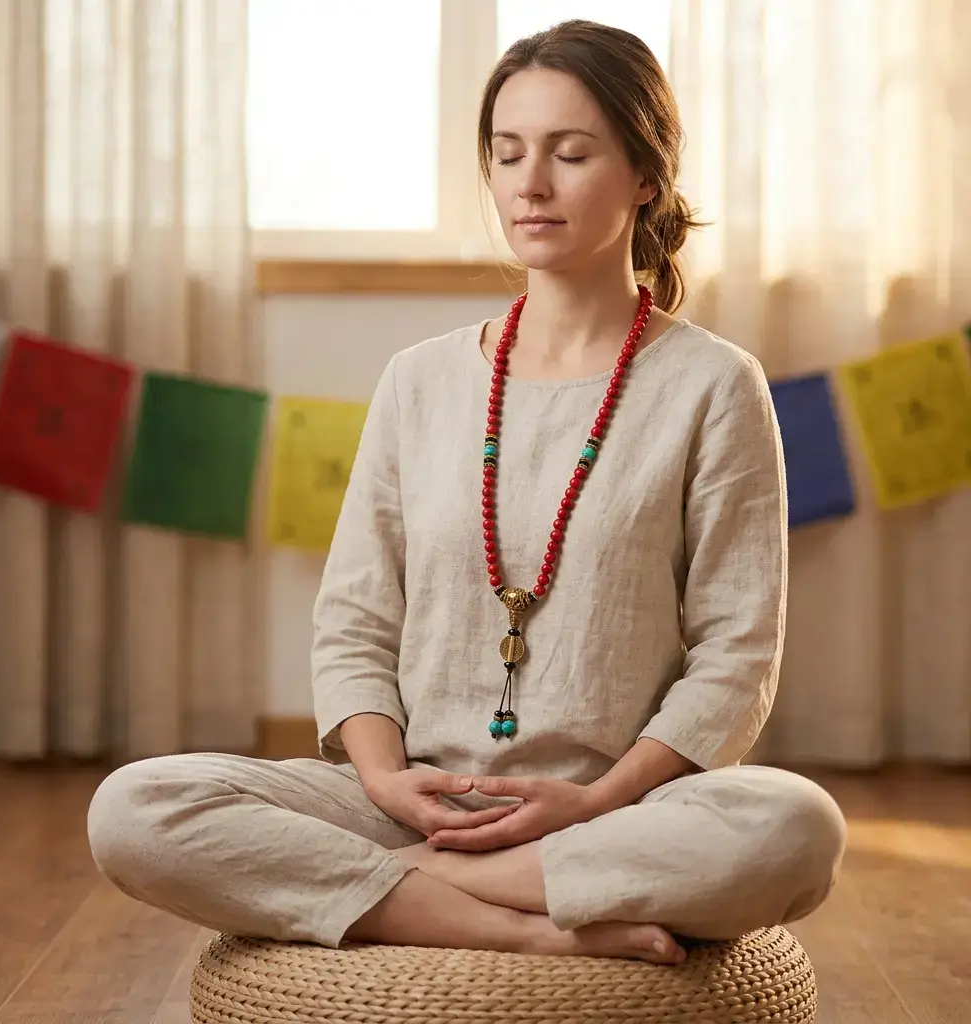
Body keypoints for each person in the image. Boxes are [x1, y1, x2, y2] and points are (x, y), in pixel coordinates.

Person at [87, 20, 847, 965]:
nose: (530, 183)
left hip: (616, 813)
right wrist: (389, 783)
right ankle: (519, 925)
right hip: (407, 806)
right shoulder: (421, 379)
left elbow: (737, 656)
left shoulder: (715, 384)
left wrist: (597, 803)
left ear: (647, 174)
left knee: (794, 827)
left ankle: (426, 894)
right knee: (135, 808)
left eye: (571, 153)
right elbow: (356, 621)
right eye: (508, 153)